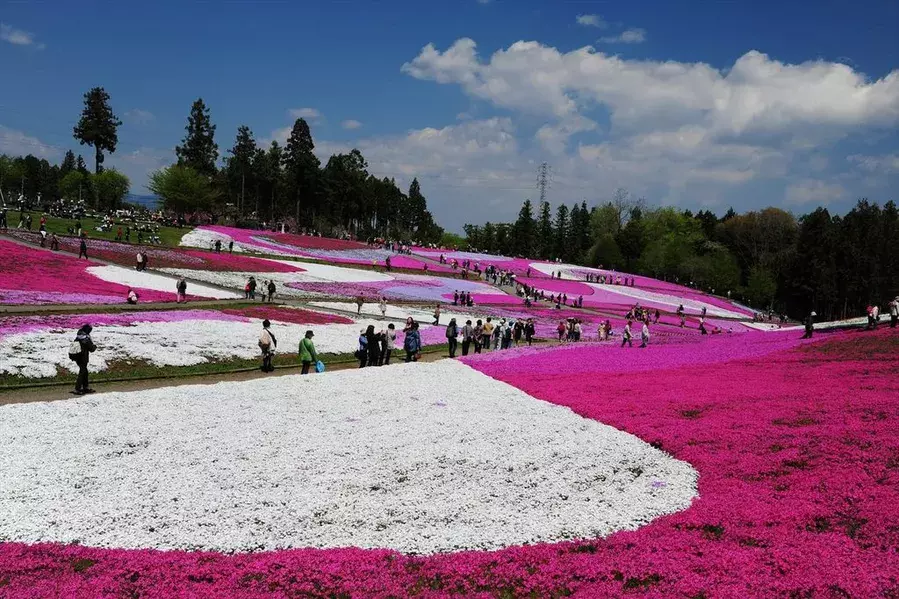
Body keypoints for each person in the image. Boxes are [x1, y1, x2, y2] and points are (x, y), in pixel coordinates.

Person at [69, 324, 96, 395]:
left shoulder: (78, 336)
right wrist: (94, 346)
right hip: (83, 358)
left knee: (85, 372)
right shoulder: (86, 339)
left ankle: (85, 387)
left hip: (77, 357)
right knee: (82, 373)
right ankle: (77, 389)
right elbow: (92, 349)